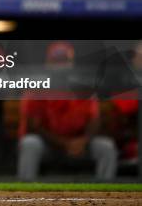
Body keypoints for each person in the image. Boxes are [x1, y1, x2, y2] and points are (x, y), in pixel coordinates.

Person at [17, 42, 118, 181]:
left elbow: (94, 121)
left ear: (72, 64)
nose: (60, 67)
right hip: (49, 145)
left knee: (106, 147)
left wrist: (82, 141)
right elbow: (34, 127)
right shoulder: (37, 88)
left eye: (64, 62)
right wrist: (65, 143)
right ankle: (24, 195)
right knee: (30, 143)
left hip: (80, 145)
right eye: (56, 62)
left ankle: (107, 195)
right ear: (48, 64)